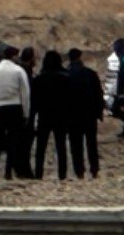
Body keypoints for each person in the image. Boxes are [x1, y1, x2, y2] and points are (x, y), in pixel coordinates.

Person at [0, 48, 30, 181]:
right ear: (14, 56)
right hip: (15, 108)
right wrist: (26, 112)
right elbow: (25, 94)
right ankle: (8, 172)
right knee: (12, 142)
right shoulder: (18, 71)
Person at [63, 48, 102, 180]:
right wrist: (99, 112)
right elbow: (98, 94)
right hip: (89, 113)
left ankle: (79, 170)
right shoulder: (90, 74)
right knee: (91, 143)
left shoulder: (65, 75)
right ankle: (94, 168)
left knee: (75, 144)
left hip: (72, 115)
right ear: (80, 57)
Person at [30, 51, 70, 180]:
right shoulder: (65, 78)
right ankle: (62, 173)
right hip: (61, 115)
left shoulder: (39, 79)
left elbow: (34, 101)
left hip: (44, 115)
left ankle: (38, 172)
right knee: (61, 146)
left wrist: (32, 118)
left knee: (41, 147)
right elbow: (70, 100)